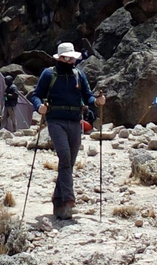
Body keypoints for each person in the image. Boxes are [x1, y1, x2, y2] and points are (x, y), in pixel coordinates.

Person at [30, 42, 106, 220]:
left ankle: (58, 203)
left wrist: (96, 102)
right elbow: (35, 95)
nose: (71, 60)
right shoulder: (49, 74)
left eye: (72, 57)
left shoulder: (79, 75)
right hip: (55, 121)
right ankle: (69, 199)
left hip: (75, 122)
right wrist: (39, 106)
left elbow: (87, 96)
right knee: (64, 157)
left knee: (69, 163)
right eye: (67, 57)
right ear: (60, 57)